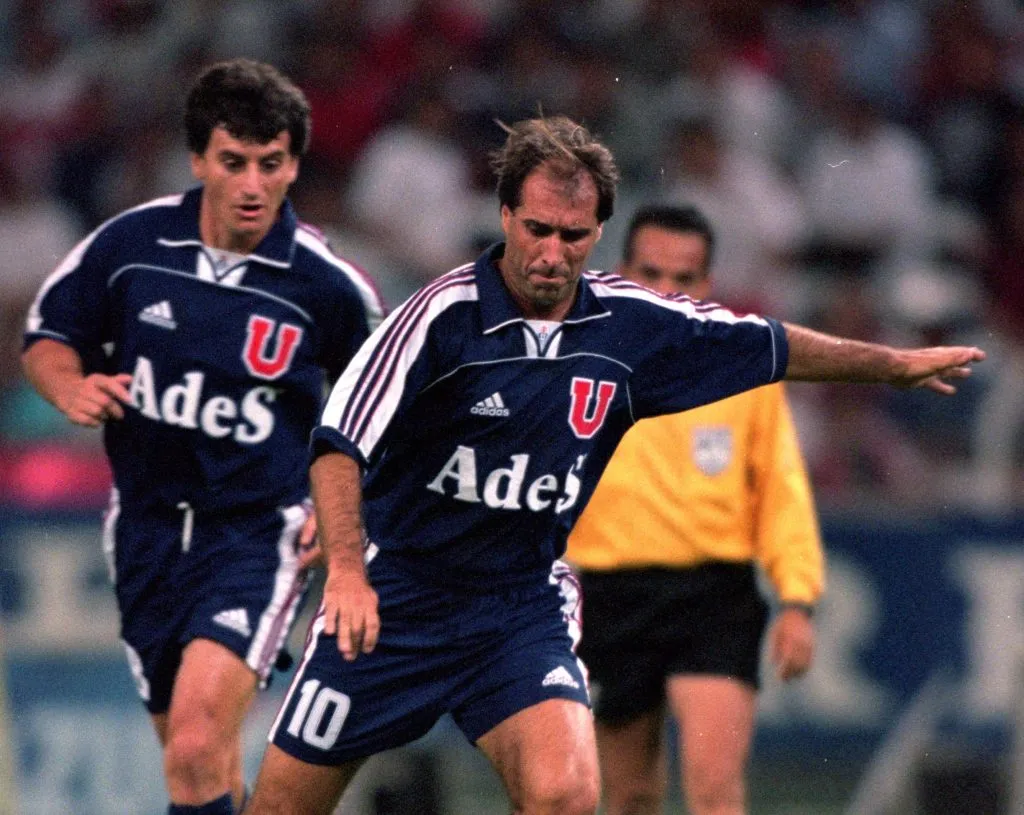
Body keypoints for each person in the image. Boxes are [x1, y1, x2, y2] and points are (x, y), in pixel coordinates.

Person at [243, 115, 983, 815]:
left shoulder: (630, 324)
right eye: (536, 230)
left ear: (599, 233)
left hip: (517, 607)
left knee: (567, 793)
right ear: (505, 216)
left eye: (573, 235)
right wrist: (345, 570)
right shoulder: (439, 317)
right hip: (397, 599)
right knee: (280, 804)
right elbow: (339, 441)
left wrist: (889, 365)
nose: (551, 253)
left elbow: (768, 345)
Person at [20, 58, 384, 815]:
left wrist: (346, 513)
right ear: (198, 160)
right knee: (196, 764)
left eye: (271, 163)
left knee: (194, 742)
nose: (252, 184)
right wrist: (72, 385)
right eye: (234, 162)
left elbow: (380, 407)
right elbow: (48, 338)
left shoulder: (328, 287)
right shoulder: (131, 247)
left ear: (292, 165)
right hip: (146, 529)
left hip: (256, 532)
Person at [565, 203, 824, 815]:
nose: (665, 291)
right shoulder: (582, 362)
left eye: (683, 279)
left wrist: (797, 598)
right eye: (650, 274)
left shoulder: (742, 367)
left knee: (712, 789)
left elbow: (781, 490)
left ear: (706, 286)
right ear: (621, 272)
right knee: (627, 795)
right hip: (606, 595)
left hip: (712, 594)